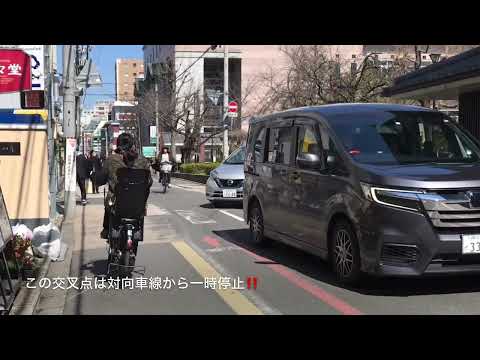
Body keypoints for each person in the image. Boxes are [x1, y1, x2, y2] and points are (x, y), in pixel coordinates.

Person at [96, 133, 153, 240]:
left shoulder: (111, 159)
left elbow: (100, 179)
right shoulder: (143, 160)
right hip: (138, 203)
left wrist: (96, 179)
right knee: (140, 210)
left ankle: (106, 229)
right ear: (132, 144)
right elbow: (149, 182)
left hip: (117, 203)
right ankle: (137, 231)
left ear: (118, 144)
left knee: (109, 203)